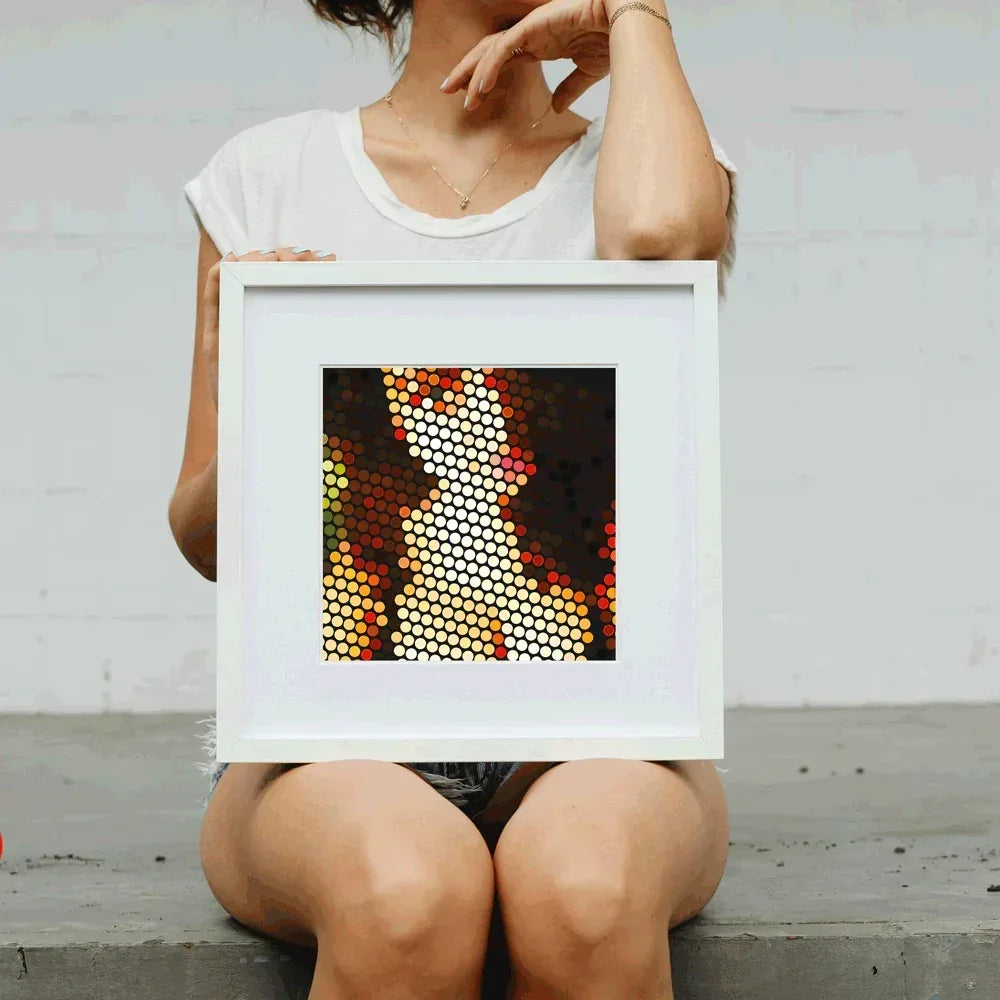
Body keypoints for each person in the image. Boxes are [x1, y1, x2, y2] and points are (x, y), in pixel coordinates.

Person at [169, 0, 737, 996]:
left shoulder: (652, 164)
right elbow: (206, 540)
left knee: (587, 894)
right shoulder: (268, 174)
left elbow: (660, 237)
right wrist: (258, 403)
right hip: (326, 741)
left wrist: (633, 13)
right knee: (404, 895)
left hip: (599, 731)